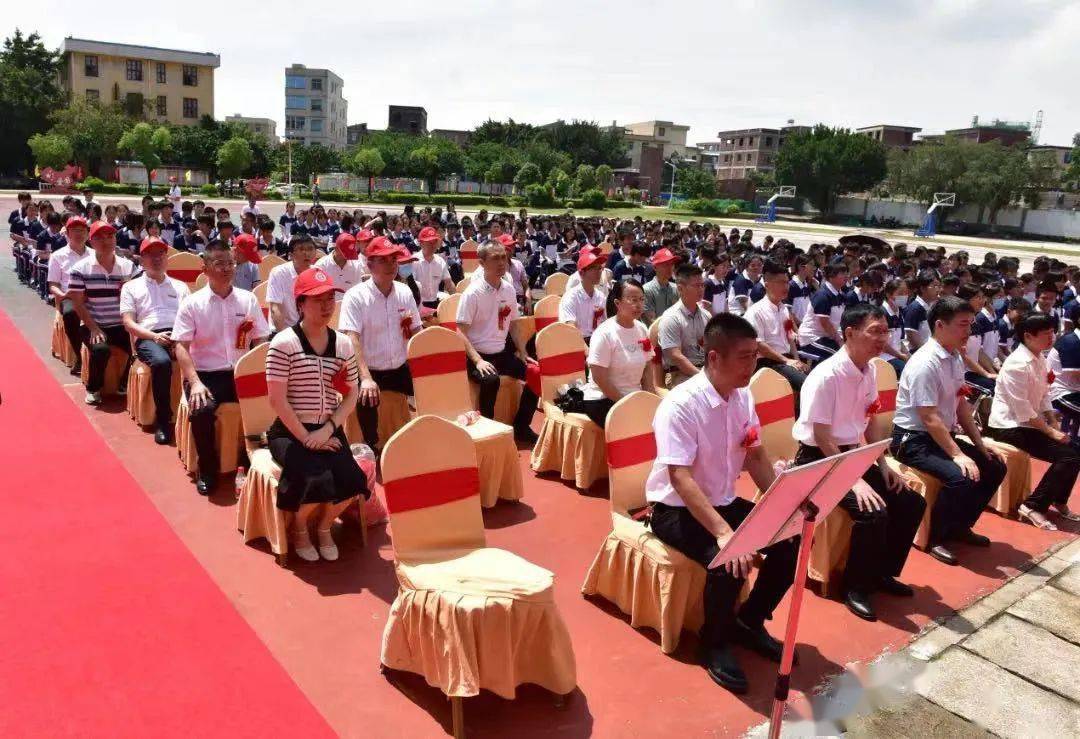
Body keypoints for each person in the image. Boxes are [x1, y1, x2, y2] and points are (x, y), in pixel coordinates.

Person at [647, 313, 798, 694]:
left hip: (722, 500)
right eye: (745, 357)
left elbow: (756, 456)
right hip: (674, 509)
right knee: (729, 560)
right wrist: (723, 532)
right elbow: (680, 479)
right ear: (714, 358)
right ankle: (712, 643)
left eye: (755, 355)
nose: (754, 364)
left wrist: (782, 505)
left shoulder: (743, 396)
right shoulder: (680, 405)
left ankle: (749, 621)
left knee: (789, 538)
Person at [792, 304, 926, 621]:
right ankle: (855, 587)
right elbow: (822, 436)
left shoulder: (870, 370)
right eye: (874, 331)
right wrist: (853, 478)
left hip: (852, 454)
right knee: (873, 512)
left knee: (910, 503)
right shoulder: (825, 375)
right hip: (820, 459)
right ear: (849, 333)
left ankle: (881, 573)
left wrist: (882, 463)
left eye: (885, 331)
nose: (882, 338)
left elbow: (870, 421)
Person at [890, 296, 1007, 566]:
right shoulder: (925, 363)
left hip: (939, 435)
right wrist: (958, 455)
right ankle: (936, 539)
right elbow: (928, 417)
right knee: (960, 477)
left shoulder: (954, 356)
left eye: (971, 324)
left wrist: (978, 444)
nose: (969, 331)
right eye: (963, 325)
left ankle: (960, 525)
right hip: (913, 439)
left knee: (993, 466)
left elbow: (961, 404)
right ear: (940, 325)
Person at [266, 267, 370, 562]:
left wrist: (327, 430)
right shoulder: (284, 343)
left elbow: (351, 393)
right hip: (290, 430)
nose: (326, 306)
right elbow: (277, 400)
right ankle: (300, 528)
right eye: (317, 299)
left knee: (352, 480)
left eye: (330, 299)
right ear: (300, 304)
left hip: (327, 426)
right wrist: (307, 437)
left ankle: (324, 526)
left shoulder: (344, 344)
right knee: (317, 475)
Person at [172, 241, 270, 495]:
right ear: (205, 268)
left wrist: (259, 368)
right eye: (219, 263)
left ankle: (256, 461)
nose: (227, 268)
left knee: (271, 400)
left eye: (230, 263)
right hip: (205, 374)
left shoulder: (247, 299)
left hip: (240, 372)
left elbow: (261, 338)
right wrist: (194, 382)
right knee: (201, 409)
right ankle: (208, 468)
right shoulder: (192, 303)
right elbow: (181, 347)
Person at [986, 312, 1080, 530]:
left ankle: (1059, 500)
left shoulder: (1039, 356)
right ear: (1028, 336)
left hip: (1029, 422)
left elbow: (1044, 395)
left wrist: (1052, 422)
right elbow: (1023, 410)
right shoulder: (1017, 364)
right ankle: (1032, 506)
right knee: (1066, 456)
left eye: (1053, 332)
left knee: (1076, 450)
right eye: (1046, 333)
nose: (1052, 337)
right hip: (1009, 426)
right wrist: (1050, 432)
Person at [338, 237, 422, 454]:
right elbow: (351, 339)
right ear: (369, 265)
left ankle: (424, 440)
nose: (392, 265)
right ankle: (370, 447)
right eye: (383, 261)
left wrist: (425, 368)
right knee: (365, 396)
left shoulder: (404, 292)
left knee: (434, 387)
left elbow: (416, 332)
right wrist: (365, 377)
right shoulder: (355, 297)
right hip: (370, 369)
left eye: (394, 259)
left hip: (400, 367)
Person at [456, 240, 539, 443]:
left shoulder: (509, 290)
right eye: (495, 258)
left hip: (501, 353)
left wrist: (523, 351)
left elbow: (513, 325)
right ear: (482, 263)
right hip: (477, 355)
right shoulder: (472, 293)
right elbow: (459, 331)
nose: (502, 262)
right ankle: (487, 430)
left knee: (536, 374)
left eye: (503, 257)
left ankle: (521, 425)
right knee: (490, 380)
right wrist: (477, 361)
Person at [120, 237, 191, 443]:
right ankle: (163, 419)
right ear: (142, 259)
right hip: (148, 337)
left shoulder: (180, 287)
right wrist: (154, 336)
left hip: (178, 334)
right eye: (150, 254)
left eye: (161, 253)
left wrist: (179, 336)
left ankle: (194, 411)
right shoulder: (131, 287)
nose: (157, 258)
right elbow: (129, 324)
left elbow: (189, 319)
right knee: (161, 362)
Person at [67, 221, 139, 405]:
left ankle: (123, 382)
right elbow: (77, 303)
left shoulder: (128, 267)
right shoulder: (80, 269)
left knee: (142, 348)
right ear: (91, 241)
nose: (106, 241)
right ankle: (93, 388)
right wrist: (93, 328)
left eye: (110, 236)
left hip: (122, 324)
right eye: (99, 237)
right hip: (94, 323)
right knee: (100, 349)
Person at [581, 279, 656, 427]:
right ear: (617, 303)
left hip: (633, 396)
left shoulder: (642, 329)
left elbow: (647, 370)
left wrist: (650, 399)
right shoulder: (604, 333)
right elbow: (599, 377)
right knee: (634, 425)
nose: (639, 304)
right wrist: (624, 403)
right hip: (603, 399)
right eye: (633, 300)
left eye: (641, 299)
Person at [744, 259, 808, 397]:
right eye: (781, 283)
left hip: (786, 359)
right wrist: (787, 361)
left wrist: (796, 359)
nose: (786, 286)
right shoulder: (755, 311)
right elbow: (759, 345)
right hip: (768, 363)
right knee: (807, 384)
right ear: (767, 285)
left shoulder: (784, 309)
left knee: (814, 378)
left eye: (787, 282)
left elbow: (790, 335)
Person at [46, 216, 91, 376]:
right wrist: (63, 295)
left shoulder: (94, 255)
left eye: (82, 230)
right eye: (75, 231)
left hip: (92, 297)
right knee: (71, 313)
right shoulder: (58, 256)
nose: (79, 234)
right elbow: (53, 285)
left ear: (88, 233)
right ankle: (80, 356)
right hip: (70, 297)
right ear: (68, 233)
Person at [658, 263, 708, 387]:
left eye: (702, 285)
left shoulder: (706, 315)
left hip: (704, 371)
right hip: (680, 375)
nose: (701, 289)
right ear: (680, 288)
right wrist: (703, 377)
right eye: (697, 286)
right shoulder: (671, 318)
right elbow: (676, 357)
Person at [797, 263, 848, 362]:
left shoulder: (841, 295)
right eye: (842, 273)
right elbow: (825, 323)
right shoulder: (822, 295)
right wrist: (840, 341)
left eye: (846, 272)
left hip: (828, 337)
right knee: (838, 355)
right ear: (831, 276)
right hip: (811, 338)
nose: (846, 276)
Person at [266, 234, 318, 333]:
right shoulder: (279, 273)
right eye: (301, 249)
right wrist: (283, 337)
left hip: (309, 331)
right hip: (284, 330)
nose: (306, 253)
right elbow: (275, 308)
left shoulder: (317, 273)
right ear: (291, 254)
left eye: (310, 249)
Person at [558, 249, 608, 343]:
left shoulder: (601, 297)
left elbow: (605, 324)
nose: (599, 271)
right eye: (594, 268)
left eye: (599, 268)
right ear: (581, 273)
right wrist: (587, 351)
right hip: (575, 343)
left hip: (596, 340)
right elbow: (570, 328)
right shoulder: (571, 297)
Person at [412, 226, 453, 309]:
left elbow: (449, 284)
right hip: (417, 304)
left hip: (435, 302)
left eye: (434, 241)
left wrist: (456, 299)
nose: (433, 245)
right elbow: (411, 287)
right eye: (429, 242)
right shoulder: (414, 261)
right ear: (421, 243)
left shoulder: (440, 261)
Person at [315, 233, 366, 299]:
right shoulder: (321, 266)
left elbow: (359, 290)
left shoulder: (356, 265)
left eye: (350, 253)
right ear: (336, 248)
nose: (348, 256)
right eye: (345, 253)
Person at [902, 270, 941, 351]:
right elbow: (911, 336)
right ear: (922, 288)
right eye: (934, 286)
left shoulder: (931, 306)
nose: (938, 289)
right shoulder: (915, 308)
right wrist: (925, 353)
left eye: (939, 286)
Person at [643, 248, 678, 324]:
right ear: (655, 267)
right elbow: (651, 321)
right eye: (665, 264)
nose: (670, 268)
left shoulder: (676, 288)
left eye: (672, 264)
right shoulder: (647, 290)